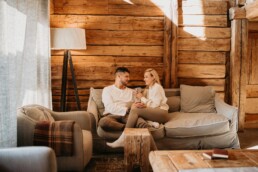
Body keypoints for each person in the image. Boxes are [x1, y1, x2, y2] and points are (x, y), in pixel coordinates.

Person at [107, 68, 170, 148]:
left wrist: (142, 98)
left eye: (146, 77)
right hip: (156, 112)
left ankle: (123, 138)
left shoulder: (157, 87)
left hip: (162, 113)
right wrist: (143, 104)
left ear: (153, 77)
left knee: (135, 110)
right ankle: (150, 123)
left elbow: (155, 105)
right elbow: (150, 105)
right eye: (144, 77)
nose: (144, 79)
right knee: (136, 108)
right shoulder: (150, 88)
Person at [99, 67, 148, 131]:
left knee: (142, 124)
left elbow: (136, 105)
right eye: (126, 76)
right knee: (103, 122)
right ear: (119, 76)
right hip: (111, 115)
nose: (129, 79)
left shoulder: (132, 91)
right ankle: (127, 128)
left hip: (128, 115)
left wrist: (140, 100)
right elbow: (109, 106)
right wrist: (127, 109)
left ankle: (127, 130)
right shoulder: (107, 90)